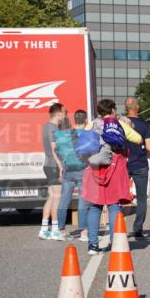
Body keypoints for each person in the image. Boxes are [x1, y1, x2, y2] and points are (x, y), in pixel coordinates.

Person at [81, 99, 142, 255]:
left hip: (96, 166)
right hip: (115, 165)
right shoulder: (118, 124)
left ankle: (93, 245)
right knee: (114, 205)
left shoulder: (92, 124)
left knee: (95, 206)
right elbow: (138, 139)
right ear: (113, 110)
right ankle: (116, 242)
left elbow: (84, 142)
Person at [54, 110, 90, 241]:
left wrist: (61, 166)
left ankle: (61, 230)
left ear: (75, 120)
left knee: (64, 199)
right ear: (85, 120)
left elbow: (56, 150)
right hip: (83, 170)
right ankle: (84, 231)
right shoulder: (86, 134)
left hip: (68, 170)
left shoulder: (65, 134)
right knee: (83, 200)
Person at [123, 97, 150, 239]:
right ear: (137, 108)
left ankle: (116, 226)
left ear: (126, 108)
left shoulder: (120, 124)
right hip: (140, 163)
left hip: (123, 164)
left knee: (118, 197)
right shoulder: (145, 125)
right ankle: (138, 228)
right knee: (141, 198)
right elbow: (149, 147)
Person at [40, 103, 66, 239]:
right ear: (58, 113)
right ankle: (55, 230)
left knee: (51, 197)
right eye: (64, 112)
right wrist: (61, 166)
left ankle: (44, 229)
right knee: (57, 198)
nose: (65, 115)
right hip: (54, 166)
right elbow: (54, 149)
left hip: (48, 164)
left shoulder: (47, 127)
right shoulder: (52, 128)